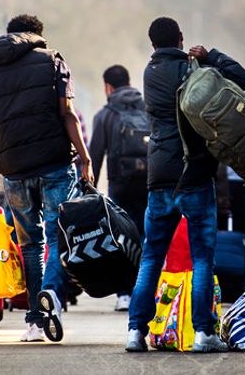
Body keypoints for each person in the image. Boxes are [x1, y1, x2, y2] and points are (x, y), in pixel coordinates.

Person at [125, 17, 245, 353]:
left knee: (152, 256)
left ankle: (135, 333)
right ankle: (202, 334)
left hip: (159, 178)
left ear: (152, 43)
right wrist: (211, 56)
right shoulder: (194, 71)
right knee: (202, 259)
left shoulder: (149, 73)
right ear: (181, 39)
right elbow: (242, 79)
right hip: (194, 175)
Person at [0, 14, 93, 343]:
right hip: (54, 164)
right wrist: (84, 156)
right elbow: (67, 113)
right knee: (56, 237)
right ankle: (51, 294)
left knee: (30, 245)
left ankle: (35, 322)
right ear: (36, 37)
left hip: (13, 171)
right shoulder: (51, 61)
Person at [89, 64, 149, 312]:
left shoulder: (105, 114)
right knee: (147, 236)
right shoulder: (149, 109)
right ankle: (145, 290)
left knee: (121, 237)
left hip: (120, 184)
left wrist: (90, 189)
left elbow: (95, 155)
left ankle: (124, 294)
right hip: (148, 181)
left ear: (108, 87)